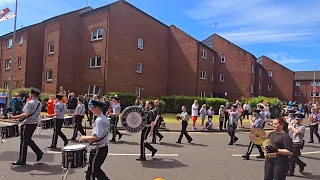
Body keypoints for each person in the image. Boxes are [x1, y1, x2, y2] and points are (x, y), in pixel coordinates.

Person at [8, 87, 43, 165]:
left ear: (32, 94)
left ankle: (22, 160)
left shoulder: (29, 103)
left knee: (24, 142)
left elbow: (25, 114)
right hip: (34, 124)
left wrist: (13, 117)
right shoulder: (40, 103)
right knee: (27, 140)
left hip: (28, 124)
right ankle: (38, 152)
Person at [80, 100, 110, 180]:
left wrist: (84, 138)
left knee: (92, 171)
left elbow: (97, 137)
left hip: (98, 149)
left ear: (97, 108)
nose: (91, 110)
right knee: (95, 169)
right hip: (103, 148)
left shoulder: (99, 120)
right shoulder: (105, 119)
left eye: (92, 108)